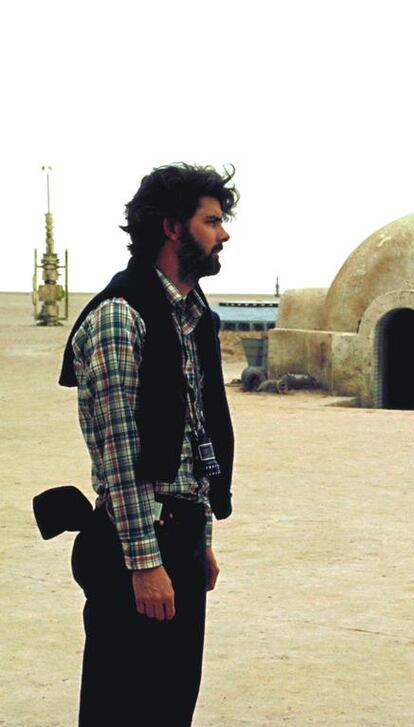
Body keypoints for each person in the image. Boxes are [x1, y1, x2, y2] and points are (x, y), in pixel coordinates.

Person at [59, 164, 238, 726]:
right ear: (172, 228)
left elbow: (193, 441)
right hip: (134, 545)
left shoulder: (190, 319)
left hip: (177, 540)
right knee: (123, 705)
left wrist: (200, 536)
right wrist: (144, 562)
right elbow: (122, 454)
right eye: (211, 221)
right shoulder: (121, 318)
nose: (224, 234)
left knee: (170, 704)